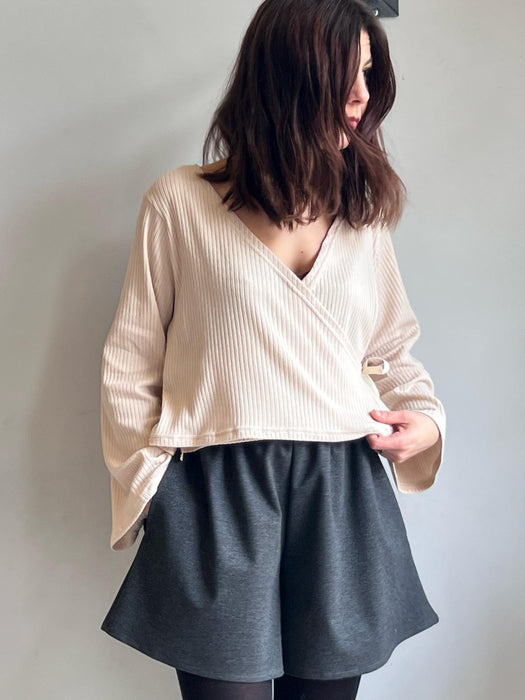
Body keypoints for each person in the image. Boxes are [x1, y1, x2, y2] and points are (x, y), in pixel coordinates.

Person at [99, 1, 446, 698]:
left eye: (368, 74)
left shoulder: (361, 217)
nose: (361, 96)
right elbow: (130, 364)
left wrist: (427, 423)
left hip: (342, 490)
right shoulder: (179, 203)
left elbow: (390, 351)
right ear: (286, 77)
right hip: (215, 493)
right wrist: (155, 487)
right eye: (343, 75)